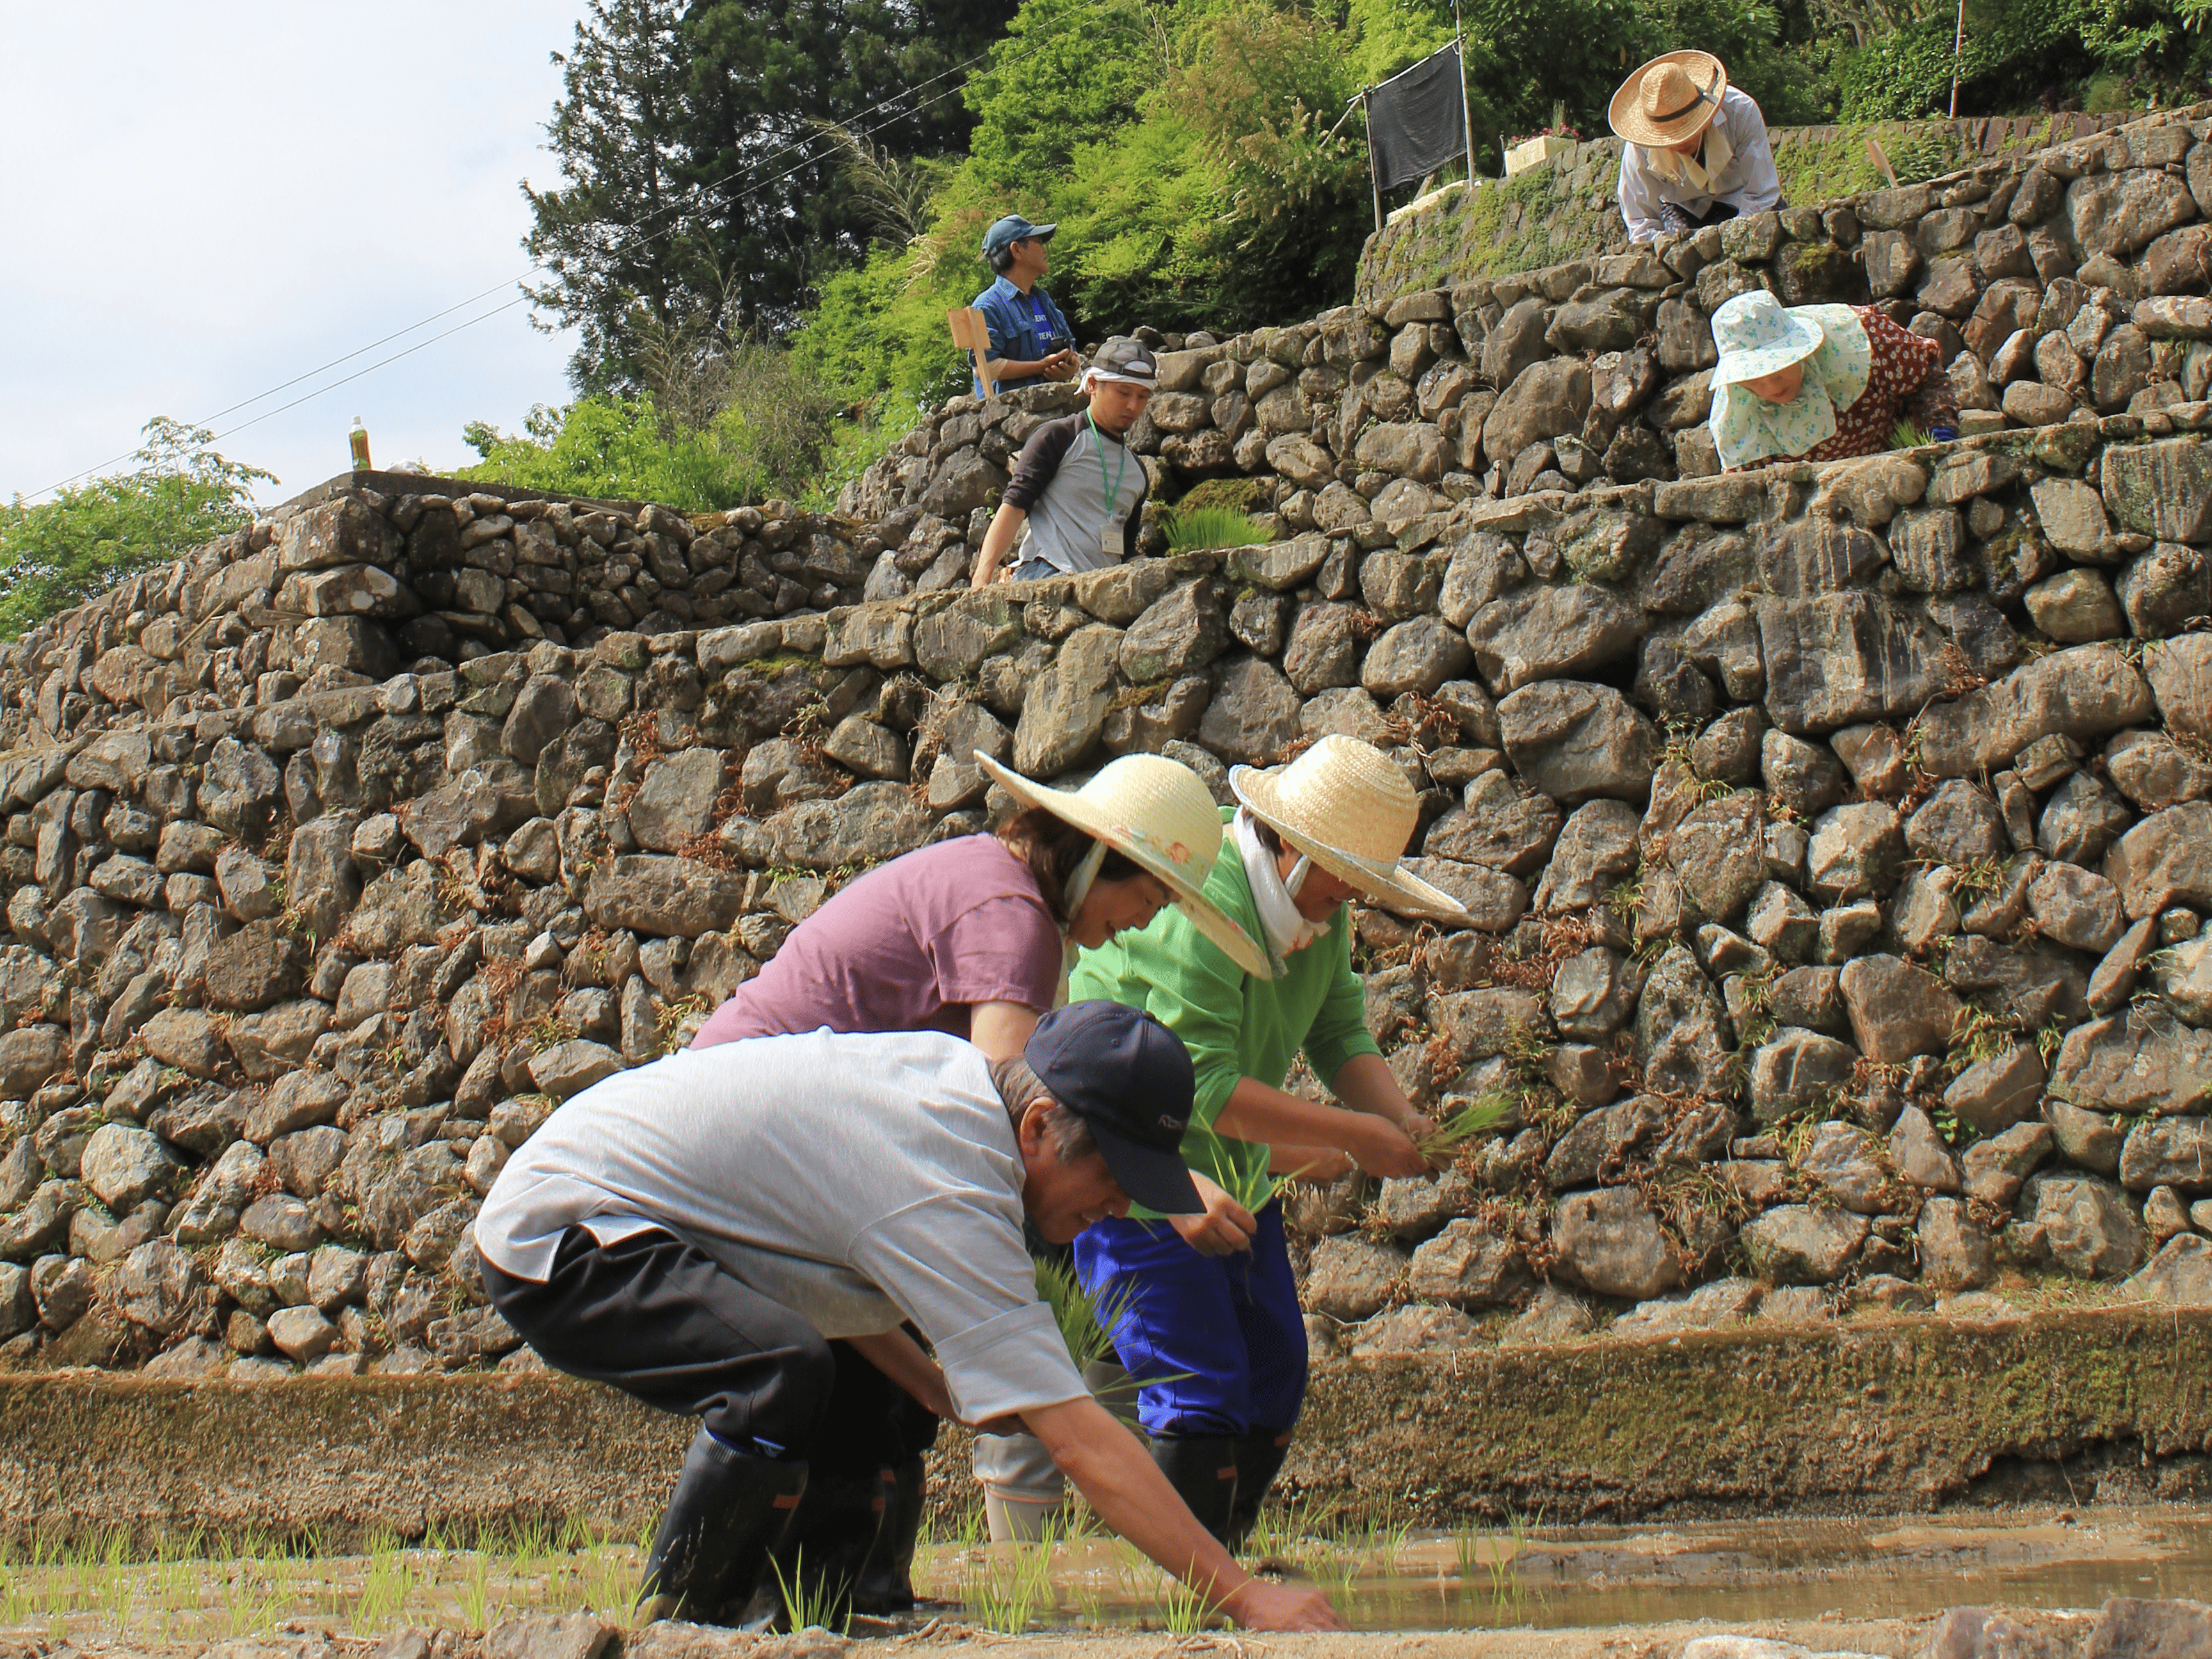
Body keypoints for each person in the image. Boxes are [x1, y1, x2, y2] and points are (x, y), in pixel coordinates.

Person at [473, 1002, 1347, 1635]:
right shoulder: (951, 1177)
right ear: (1039, 1126)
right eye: (1113, 1182)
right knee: (781, 1374)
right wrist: (1243, 1595)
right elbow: (1079, 1442)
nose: (1117, 1210)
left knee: (862, 1384)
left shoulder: (955, 1098)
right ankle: (680, 1627)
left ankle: (825, 1613)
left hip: (655, 1226)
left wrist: (934, 1386)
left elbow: (817, 1268)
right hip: (565, 1233)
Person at [685, 749, 1270, 1568]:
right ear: (1101, 860)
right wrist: (1170, 1192)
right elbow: (1012, 1124)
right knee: (838, 1381)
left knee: (876, 1384)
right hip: (754, 1141)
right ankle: (770, 1599)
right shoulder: (1014, 918)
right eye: (1149, 896)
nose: (1144, 922)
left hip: (782, 1140)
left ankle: (846, 1600)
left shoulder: (997, 889)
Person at [1067, 735, 1470, 1548]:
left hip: (1237, 1179)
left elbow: (1338, 1030)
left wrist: (1402, 1118)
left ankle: (1224, 1560)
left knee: (1275, 1371)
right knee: (1200, 1384)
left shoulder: (1323, 909)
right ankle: (1192, 1595)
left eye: (1361, 883)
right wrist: (1357, 1136)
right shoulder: (1202, 901)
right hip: (1138, 1176)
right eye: (1341, 876)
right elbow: (1201, 1090)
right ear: (1290, 844)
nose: (1350, 896)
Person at [970, 337, 1157, 587]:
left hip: (1102, 588)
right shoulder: (1059, 437)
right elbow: (1014, 508)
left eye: (1143, 396)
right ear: (1092, 384)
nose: (1133, 405)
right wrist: (981, 579)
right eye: (1123, 392)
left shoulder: (1137, 473)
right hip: (1048, 577)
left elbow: (1126, 550)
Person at [1707, 289, 1960, 472]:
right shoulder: (1735, 420)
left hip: (1898, 463)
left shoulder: (1865, 339)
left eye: (1780, 370)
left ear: (1803, 352)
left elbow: (1925, 373)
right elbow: (1748, 487)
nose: (1772, 387)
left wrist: (1937, 434)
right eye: (1756, 381)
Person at [1611, 51, 1783, 244]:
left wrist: (1729, 237)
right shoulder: (1639, 146)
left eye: (1685, 129)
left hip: (1742, 200)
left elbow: (1763, 195)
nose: (1678, 142)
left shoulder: (1740, 112)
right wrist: (1667, 246)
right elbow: (1640, 221)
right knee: (1683, 255)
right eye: (1669, 136)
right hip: (1681, 208)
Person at [973, 214, 1080, 391]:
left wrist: (1071, 368)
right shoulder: (986, 306)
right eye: (1038, 242)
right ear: (1016, 250)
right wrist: (1041, 367)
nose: (1045, 250)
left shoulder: (1044, 300)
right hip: (1012, 417)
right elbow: (984, 367)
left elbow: (1073, 351)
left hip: (1054, 412)